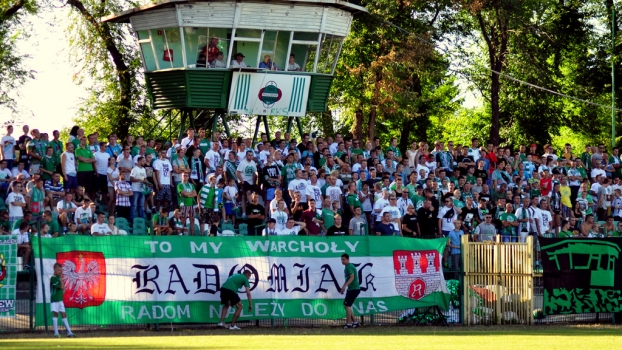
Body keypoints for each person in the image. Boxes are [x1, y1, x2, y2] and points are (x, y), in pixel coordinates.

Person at [50, 262, 75, 338]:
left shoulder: (59, 278)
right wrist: (61, 279)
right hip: (54, 300)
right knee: (56, 314)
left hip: (60, 300)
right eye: (58, 270)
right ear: (54, 269)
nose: (60, 271)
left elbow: (63, 289)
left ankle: (69, 332)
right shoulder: (53, 278)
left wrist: (63, 286)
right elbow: (60, 287)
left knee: (64, 314)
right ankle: (56, 333)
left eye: (60, 270)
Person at [340, 253, 360, 329]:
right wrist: (344, 286)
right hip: (351, 289)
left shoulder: (349, 267)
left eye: (344, 259)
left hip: (354, 289)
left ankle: (349, 323)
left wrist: (344, 286)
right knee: (347, 306)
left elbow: (352, 277)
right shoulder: (347, 267)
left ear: (348, 259)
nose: (342, 261)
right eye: (341, 259)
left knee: (347, 306)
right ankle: (355, 322)